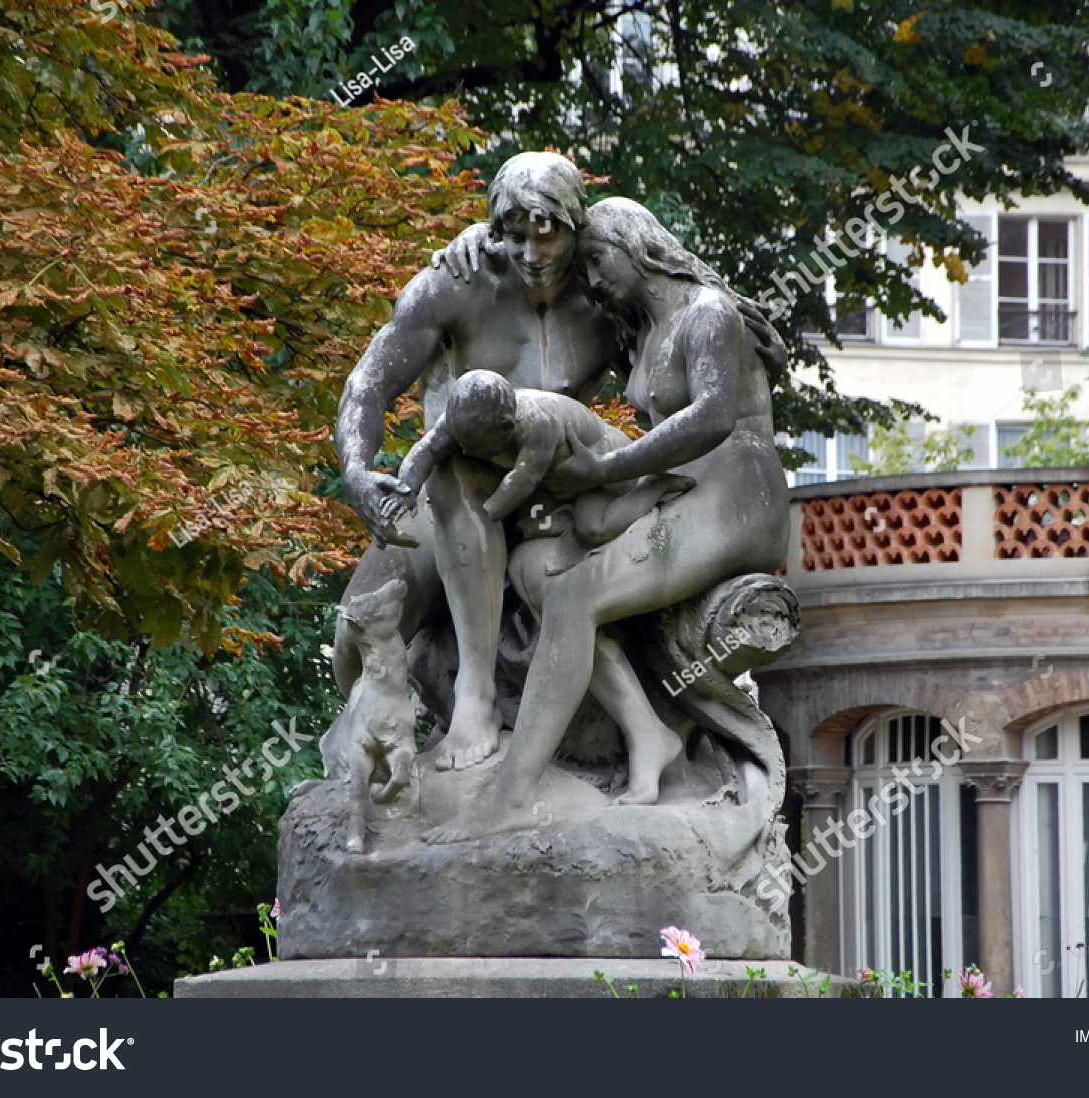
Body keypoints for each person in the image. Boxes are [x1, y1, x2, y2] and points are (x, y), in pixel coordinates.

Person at [423, 197, 792, 842]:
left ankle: (512, 792)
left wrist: (605, 475)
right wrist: (467, 246)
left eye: (596, 258)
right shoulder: (641, 329)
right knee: (538, 565)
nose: (589, 278)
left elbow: (710, 418)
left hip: (736, 494)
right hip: (675, 490)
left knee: (576, 598)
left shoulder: (708, 313)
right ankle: (649, 737)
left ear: (637, 245)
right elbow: (516, 268)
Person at [332, 154, 627, 772]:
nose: (531, 252)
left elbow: (683, 319)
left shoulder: (607, 289)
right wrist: (357, 472)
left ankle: (477, 692)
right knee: (352, 651)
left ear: (577, 225)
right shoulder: (459, 281)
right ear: (496, 230)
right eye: (515, 235)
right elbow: (368, 383)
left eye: (548, 234)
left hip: (559, 486)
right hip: (448, 489)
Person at [383, 369, 695, 551]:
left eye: (475, 446)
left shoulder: (537, 423)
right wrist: (406, 487)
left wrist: (476, 518)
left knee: (592, 530)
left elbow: (519, 484)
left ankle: (657, 485)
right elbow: (427, 449)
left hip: (599, 461)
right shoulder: (466, 415)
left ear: (507, 427)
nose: (464, 451)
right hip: (555, 482)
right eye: (462, 442)